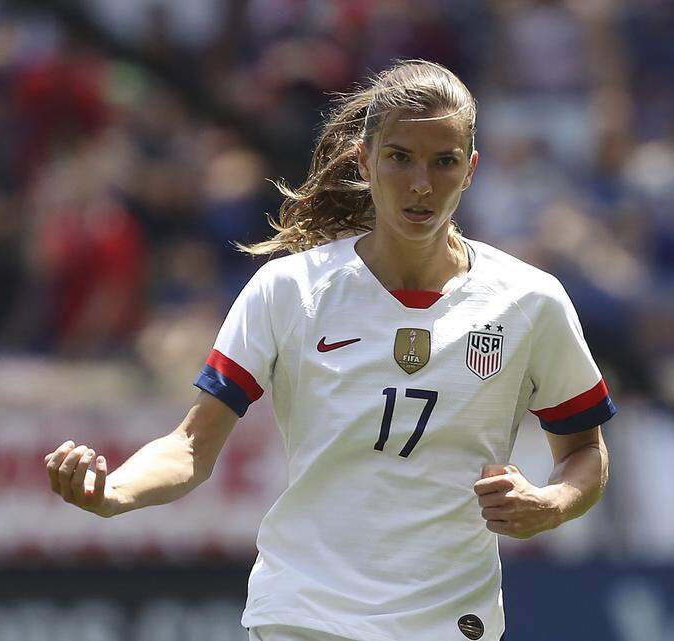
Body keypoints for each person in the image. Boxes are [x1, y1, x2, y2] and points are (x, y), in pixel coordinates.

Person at [44, 60, 616, 641]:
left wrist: (552, 503)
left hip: (450, 623)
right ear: (364, 160)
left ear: (469, 170)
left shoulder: (528, 300)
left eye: (443, 161)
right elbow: (192, 446)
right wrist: (114, 491)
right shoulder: (290, 290)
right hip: (306, 615)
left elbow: (584, 452)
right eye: (399, 157)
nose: (421, 183)